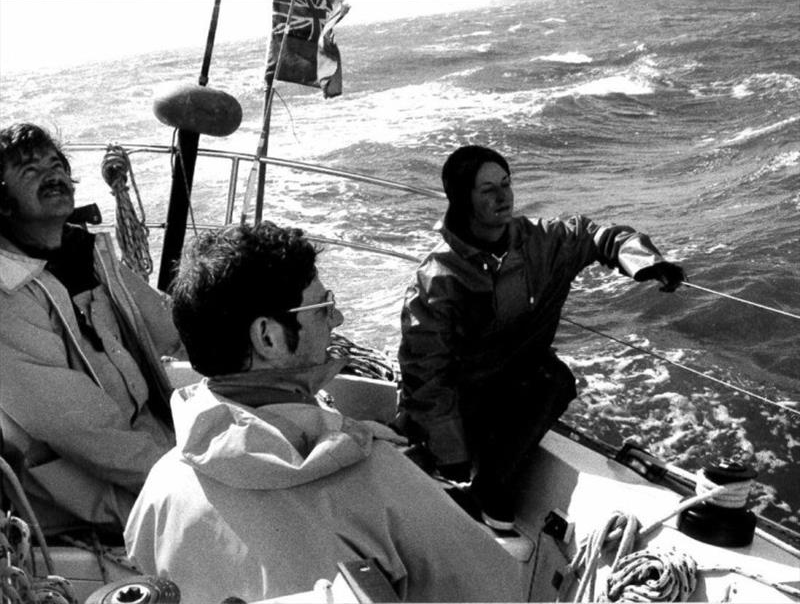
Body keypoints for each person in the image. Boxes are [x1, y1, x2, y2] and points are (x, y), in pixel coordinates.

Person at [124, 222, 525, 604]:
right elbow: (498, 589)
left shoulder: (162, 486)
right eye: (323, 306)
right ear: (268, 337)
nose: (338, 319)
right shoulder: (378, 477)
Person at [397, 145, 686, 530]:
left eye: (506, 183)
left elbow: (598, 236)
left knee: (554, 379)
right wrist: (452, 458)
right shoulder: (439, 276)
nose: (504, 197)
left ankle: (486, 488)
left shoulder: (542, 242)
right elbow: (425, 376)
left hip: (512, 383)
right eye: (488, 190)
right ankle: (477, 488)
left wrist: (646, 263)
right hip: (461, 402)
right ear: (461, 198)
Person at [0, 123, 178, 537]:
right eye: (30, 171)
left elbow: (168, 330)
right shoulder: (7, 294)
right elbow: (79, 430)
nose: (54, 175)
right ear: (3, 203)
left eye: (57, 165)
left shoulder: (87, 250)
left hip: (148, 443)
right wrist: (179, 476)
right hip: (77, 488)